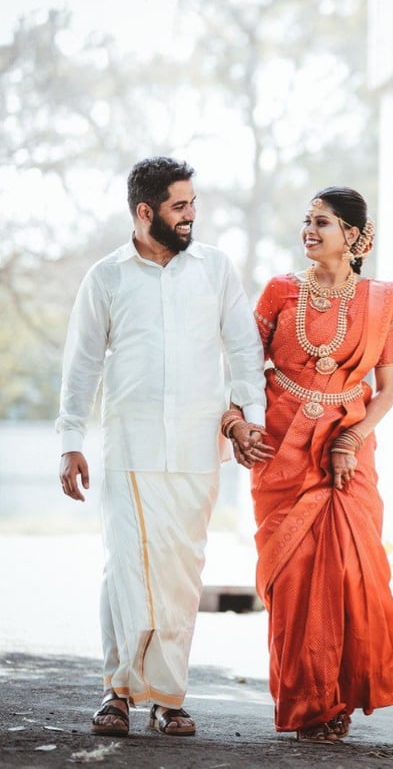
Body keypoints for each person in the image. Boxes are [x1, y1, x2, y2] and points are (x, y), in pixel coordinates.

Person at [57, 156, 268, 738]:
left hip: (197, 448)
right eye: (180, 206)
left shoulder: (215, 268)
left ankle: (168, 698)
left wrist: (250, 419)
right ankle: (118, 692)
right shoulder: (107, 276)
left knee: (181, 573)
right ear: (145, 211)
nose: (191, 215)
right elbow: (81, 363)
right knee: (126, 568)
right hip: (131, 445)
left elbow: (243, 349)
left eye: (193, 203)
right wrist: (70, 439)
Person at [221, 186, 393, 743]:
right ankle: (307, 702)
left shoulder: (381, 300)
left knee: (349, 573)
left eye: (323, 222)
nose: (309, 231)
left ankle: (337, 700)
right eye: (307, 221)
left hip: (346, 452)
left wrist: (350, 439)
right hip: (280, 447)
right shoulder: (281, 291)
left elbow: (388, 390)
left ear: (353, 236)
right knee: (291, 579)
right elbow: (243, 366)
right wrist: (235, 421)